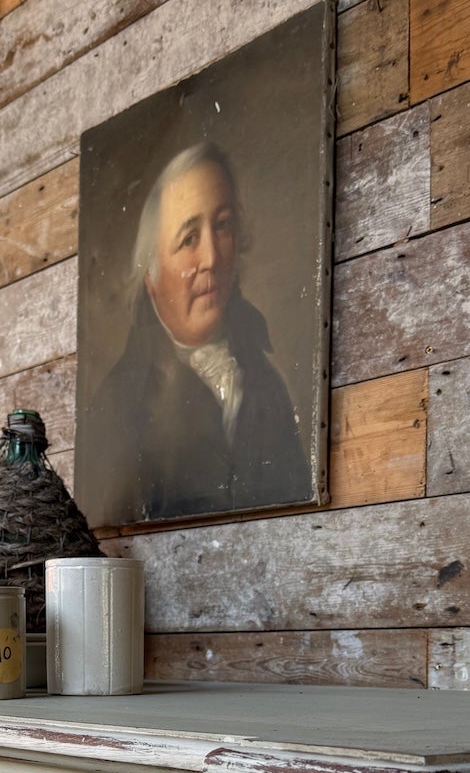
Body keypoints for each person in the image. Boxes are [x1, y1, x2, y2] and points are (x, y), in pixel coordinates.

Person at [86, 141, 315, 524]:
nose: (212, 257)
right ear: (151, 277)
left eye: (222, 226)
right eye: (189, 238)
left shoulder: (265, 383)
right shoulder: (117, 405)